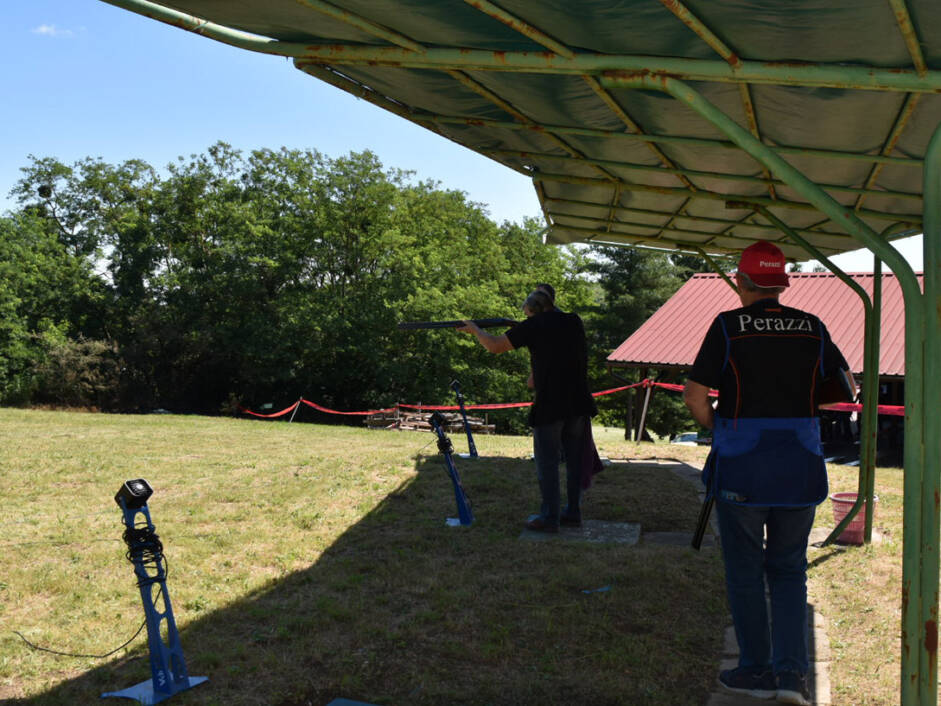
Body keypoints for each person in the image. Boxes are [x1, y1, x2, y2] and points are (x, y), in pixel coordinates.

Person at [684, 241, 850, 706]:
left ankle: (755, 670)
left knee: (744, 570)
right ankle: (792, 676)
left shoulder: (727, 326)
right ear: (781, 283)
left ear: (741, 282)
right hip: (800, 465)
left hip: (743, 466)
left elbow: (695, 397)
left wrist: (720, 428)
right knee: (789, 570)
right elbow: (842, 387)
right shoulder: (812, 327)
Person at [458, 289, 597, 532]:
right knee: (575, 461)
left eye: (527, 314)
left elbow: (495, 346)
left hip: (551, 403)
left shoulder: (534, 325)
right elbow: (554, 347)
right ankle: (573, 512)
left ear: (533, 310)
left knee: (547, 463)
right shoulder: (573, 321)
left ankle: (550, 518)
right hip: (578, 401)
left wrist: (475, 330)